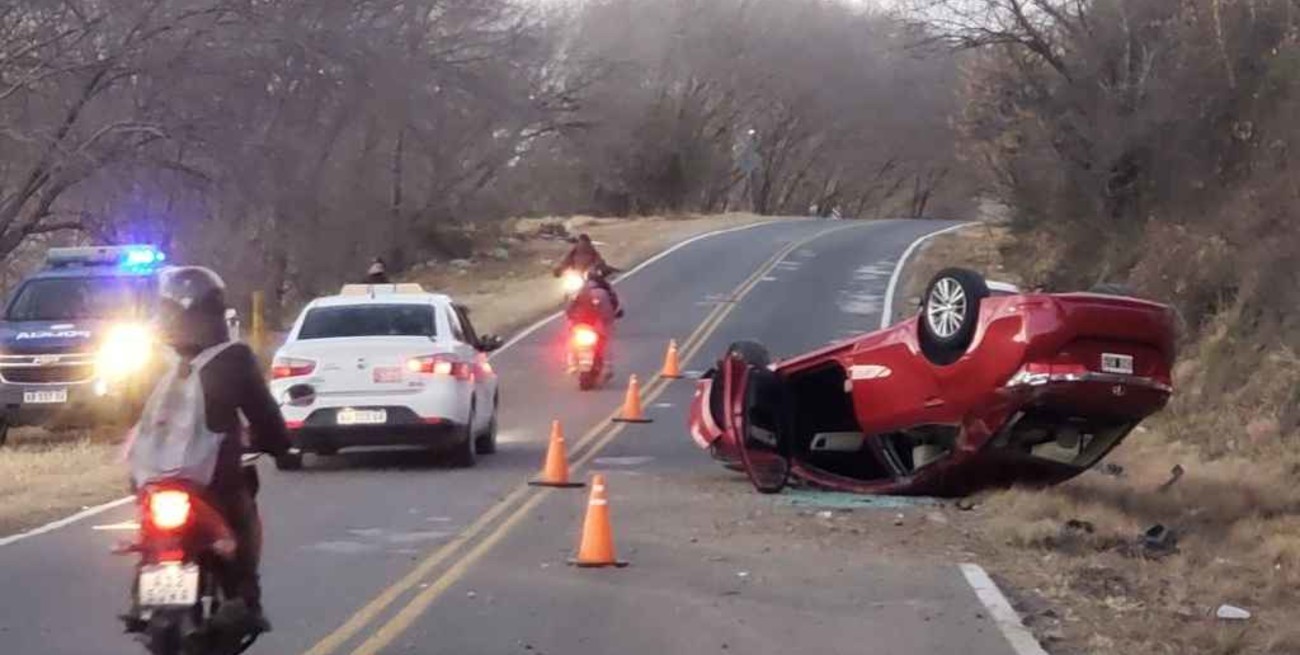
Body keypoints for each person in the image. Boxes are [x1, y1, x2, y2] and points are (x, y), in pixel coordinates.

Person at [151, 267, 292, 632]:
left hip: (153, 472)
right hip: (214, 476)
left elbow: (126, 411)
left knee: (147, 520)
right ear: (216, 309)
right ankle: (244, 596)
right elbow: (263, 413)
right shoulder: (234, 358)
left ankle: (147, 582)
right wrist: (278, 444)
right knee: (241, 515)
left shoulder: (149, 359)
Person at [554, 234, 621, 315]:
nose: (582, 245)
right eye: (581, 243)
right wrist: (559, 270)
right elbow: (565, 263)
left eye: (584, 243)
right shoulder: (573, 253)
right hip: (577, 277)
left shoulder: (592, 252)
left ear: (588, 243)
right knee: (568, 293)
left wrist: (600, 269)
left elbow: (600, 262)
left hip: (592, 278)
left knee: (606, 287)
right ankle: (569, 312)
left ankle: (615, 308)